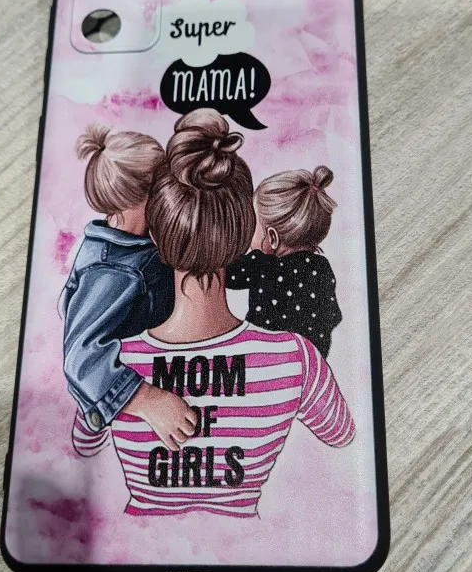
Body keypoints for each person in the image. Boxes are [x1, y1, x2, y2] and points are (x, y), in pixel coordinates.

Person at [72, 109, 354, 518]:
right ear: (243, 235)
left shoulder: (110, 366)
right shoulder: (297, 359)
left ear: (156, 233)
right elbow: (342, 435)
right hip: (249, 542)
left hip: (138, 537)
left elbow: (83, 446)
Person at [61, 124, 196, 450]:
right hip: (116, 401)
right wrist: (149, 401)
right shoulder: (113, 272)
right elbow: (80, 358)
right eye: (164, 186)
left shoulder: (136, 244)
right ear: (140, 197)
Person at [225, 167, 342, 358]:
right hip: (311, 361)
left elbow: (224, 272)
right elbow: (332, 316)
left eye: (252, 225)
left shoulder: (262, 264)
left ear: (272, 237)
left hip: (268, 360)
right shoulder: (322, 267)